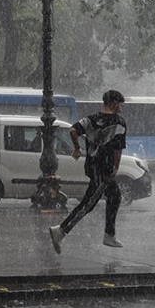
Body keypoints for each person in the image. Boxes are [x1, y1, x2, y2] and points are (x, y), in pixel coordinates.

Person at [49, 90, 127, 253]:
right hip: (104, 168)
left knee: (115, 196)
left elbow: (72, 130)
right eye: (120, 104)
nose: (121, 108)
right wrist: (116, 167)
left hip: (91, 165)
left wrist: (77, 148)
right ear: (113, 104)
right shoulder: (119, 123)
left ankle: (109, 234)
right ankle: (61, 231)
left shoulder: (91, 119)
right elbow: (118, 150)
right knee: (88, 203)